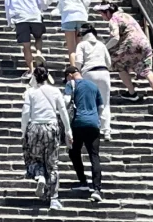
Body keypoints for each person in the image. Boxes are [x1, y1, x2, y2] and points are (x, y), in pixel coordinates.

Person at [22, 62, 71, 210]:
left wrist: (23, 132)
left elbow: (26, 113)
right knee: (52, 163)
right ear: (47, 76)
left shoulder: (30, 92)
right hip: (51, 127)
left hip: (35, 128)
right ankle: (54, 198)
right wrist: (68, 130)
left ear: (35, 77)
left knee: (34, 158)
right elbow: (63, 111)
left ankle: (40, 176)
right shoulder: (55, 91)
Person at [97, 3, 153, 111]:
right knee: (147, 70)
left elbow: (115, 37)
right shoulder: (127, 16)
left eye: (102, 14)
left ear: (108, 12)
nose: (102, 17)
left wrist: (104, 48)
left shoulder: (113, 19)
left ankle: (132, 93)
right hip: (144, 44)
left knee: (117, 64)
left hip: (130, 44)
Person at [63, 66, 104, 202]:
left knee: (74, 152)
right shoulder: (93, 86)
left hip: (78, 123)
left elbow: (66, 101)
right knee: (94, 156)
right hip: (93, 124)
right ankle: (97, 189)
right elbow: (101, 106)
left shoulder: (71, 84)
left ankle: (83, 181)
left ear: (70, 75)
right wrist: (96, 118)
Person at [5, 0, 47, 75]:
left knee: (26, 46)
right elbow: (41, 0)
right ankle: (38, 52)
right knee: (38, 37)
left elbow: (7, 4)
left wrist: (9, 21)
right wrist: (43, 9)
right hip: (35, 16)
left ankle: (31, 70)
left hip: (20, 19)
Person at [74, 24, 113, 139]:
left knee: (89, 102)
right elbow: (109, 63)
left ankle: (92, 128)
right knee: (105, 103)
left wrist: (77, 72)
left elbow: (78, 61)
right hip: (104, 72)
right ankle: (106, 131)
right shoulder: (102, 45)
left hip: (89, 73)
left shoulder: (81, 45)